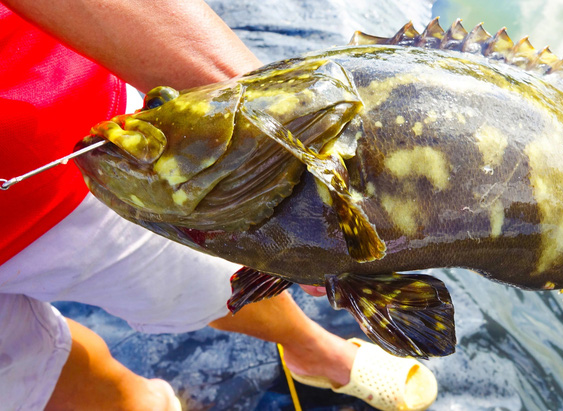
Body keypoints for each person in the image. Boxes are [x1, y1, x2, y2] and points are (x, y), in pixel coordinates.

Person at [0, 1, 438, 410]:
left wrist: (275, 121)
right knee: (24, 377)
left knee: (210, 280)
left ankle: (313, 351)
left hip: (57, 151)